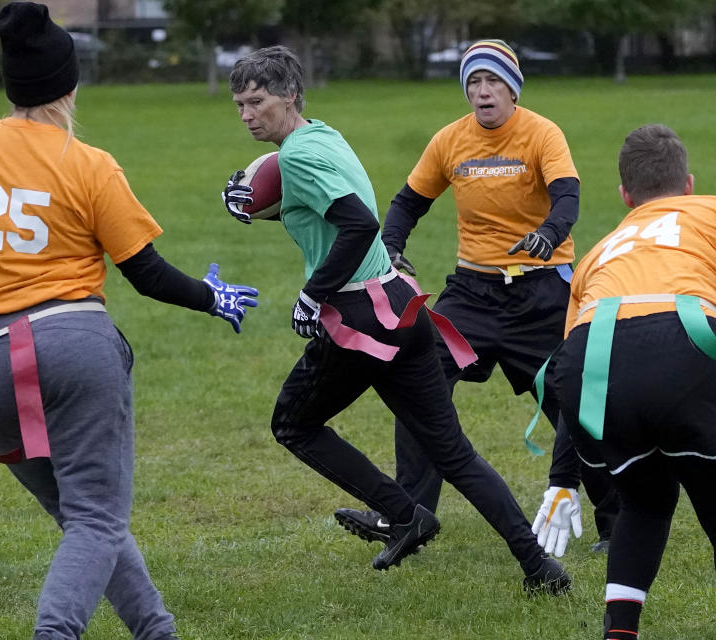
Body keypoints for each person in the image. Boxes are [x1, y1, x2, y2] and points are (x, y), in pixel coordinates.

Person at [0, 3, 258, 639]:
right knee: (96, 519)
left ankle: (157, 631)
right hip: (71, 346)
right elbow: (146, 273)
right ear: (69, 87)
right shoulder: (89, 163)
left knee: (85, 520)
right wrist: (211, 296)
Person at [221, 45, 569, 593]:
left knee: (292, 423)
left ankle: (404, 514)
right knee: (453, 452)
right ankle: (539, 567)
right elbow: (329, 214)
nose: (246, 114)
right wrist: (248, 203)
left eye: (256, 102)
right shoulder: (322, 135)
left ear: (289, 95)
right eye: (239, 104)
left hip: (362, 318)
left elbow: (358, 225)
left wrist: (314, 295)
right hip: (402, 306)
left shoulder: (295, 157)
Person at [332, 39, 618, 552]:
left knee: (573, 400)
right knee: (417, 382)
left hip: (542, 291)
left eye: (493, 82)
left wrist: (549, 234)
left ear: (513, 88)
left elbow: (568, 197)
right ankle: (409, 517)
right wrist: (391, 247)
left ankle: (615, 522)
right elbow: (406, 204)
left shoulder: (542, 133)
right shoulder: (450, 141)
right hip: (473, 294)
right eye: (473, 83)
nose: (483, 92)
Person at [553, 124, 716, 640]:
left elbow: (566, 359)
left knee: (644, 503)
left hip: (591, 369)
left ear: (626, 197)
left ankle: (620, 631)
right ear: (688, 184)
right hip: (681, 344)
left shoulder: (599, 252)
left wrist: (563, 478)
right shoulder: (709, 212)